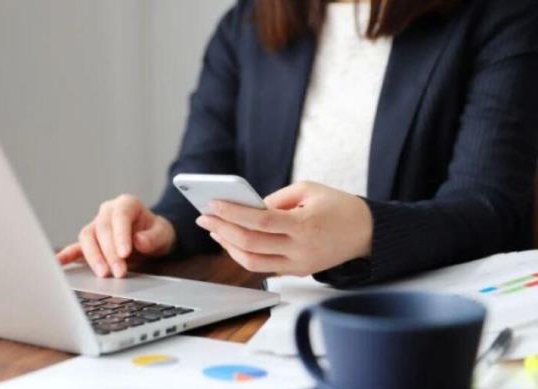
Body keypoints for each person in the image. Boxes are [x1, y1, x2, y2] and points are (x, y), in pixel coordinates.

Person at [57, 0, 538, 287]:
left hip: (423, 331)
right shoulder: (248, 23)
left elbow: (489, 209)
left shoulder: (501, 15)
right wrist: (160, 230)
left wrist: (365, 232)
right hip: (268, 318)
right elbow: (203, 176)